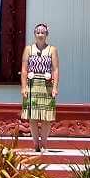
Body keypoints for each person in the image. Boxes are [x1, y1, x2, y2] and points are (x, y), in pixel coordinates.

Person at [20, 23, 60, 153]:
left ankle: (44, 144)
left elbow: (55, 69)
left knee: (46, 116)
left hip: (46, 85)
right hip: (32, 85)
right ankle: (35, 144)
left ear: (46, 34)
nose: (40, 35)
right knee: (32, 116)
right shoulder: (28, 49)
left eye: (43, 33)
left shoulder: (52, 50)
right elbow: (24, 69)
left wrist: (55, 87)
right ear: (34, 34)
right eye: (38, 33)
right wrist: (24, 87)